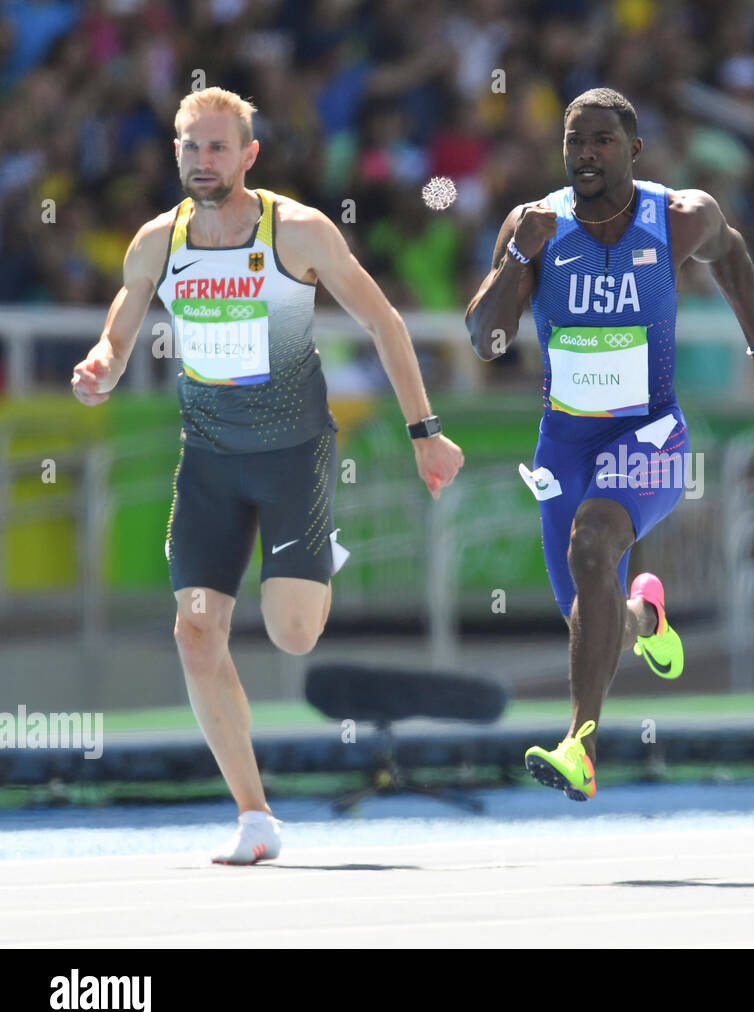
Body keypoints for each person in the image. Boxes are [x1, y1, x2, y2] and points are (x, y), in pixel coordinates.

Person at [70, 88, 464, 863]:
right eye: (191, 147)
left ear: (249, 155)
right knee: (195, 631)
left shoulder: (300, 232)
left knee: (292, 633)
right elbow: (121, 326)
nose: (203, 161)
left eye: (219, 148)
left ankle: (316, 553)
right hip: (210, 463)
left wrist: (426, 431)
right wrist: (102, 366)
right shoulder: (157, 241)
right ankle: (255, 816)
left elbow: (384, 322)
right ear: (175, 152)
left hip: (294, 459)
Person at [465, 87, 754, 800]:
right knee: (596, 615)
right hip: (565, 445)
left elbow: (733, 256)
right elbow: (486, 341)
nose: (586, 153)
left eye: (603, 141)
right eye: (574, 140)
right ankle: (649, 613)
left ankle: (579, 745)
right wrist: (515, 263)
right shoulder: (536, 226)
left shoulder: (677, 218)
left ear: (634, 151)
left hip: (649, 435)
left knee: (592, 547)